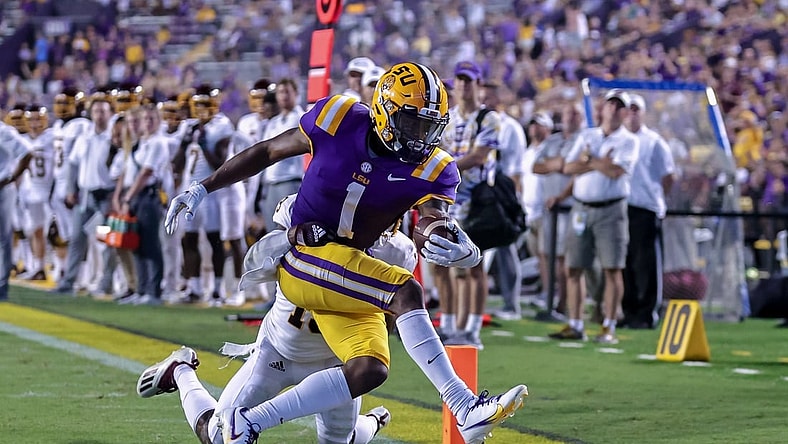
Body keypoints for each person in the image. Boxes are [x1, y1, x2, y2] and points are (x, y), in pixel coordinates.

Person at [164, 62, 527, 444]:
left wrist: (459, 245)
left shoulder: (429, 181)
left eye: (429, 126)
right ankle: (463, 407)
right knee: (404, 292)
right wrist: (203, 187)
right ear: (385, 109)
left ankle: (368, 423)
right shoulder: (338, 118)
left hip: (338, 321)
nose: (422, 137)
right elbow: (270, 150)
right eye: (413, 123)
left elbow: (432, 222)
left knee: (371, 371)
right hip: (303, 270)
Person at [137, 194, 399, 444]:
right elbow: (253, 264)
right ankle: (181, 370)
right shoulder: (303, 209)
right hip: (279, 352)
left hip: (336, 361)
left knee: (340, 440)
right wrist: (290, 236)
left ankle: (372, 422)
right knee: (219, 436)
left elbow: (384, 322)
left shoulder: (396, 250)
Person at [551, 90, 639, 344]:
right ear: (603, 108)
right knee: (574, 266)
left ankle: (608, 325)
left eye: (619, 106)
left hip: (611, 209)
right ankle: (576, 323)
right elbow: (568, 167)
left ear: (624, 112)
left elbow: (616, 171)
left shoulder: (629, 140)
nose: (614, 109)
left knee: (613, 268)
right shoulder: (588, 135)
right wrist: (599, 162)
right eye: (611, 104)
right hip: (581, 206)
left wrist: (589, 159)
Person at [437, 61, 502, 349]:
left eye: (468, 80)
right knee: (445, 265)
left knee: (474, 266)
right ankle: (451, 324)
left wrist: (443, 168)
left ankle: (472, 327)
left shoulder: (488, 118)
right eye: (459, 80)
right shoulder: (448, 117)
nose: (463, 85)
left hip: (475, 200)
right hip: (449, 200)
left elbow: (479, 156)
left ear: (478, 84)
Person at [172, 85, 235, 303]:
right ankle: (194, 287)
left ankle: (217, 289)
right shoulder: (189, 127)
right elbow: (176, 164)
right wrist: (185, 141)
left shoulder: (221, 125)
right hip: (189, 191)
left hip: (210, 191)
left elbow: (220, 163)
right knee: (188, 239)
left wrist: (204, 143)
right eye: (197, 105)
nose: (200, 109)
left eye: (205, 104)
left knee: (213, 239)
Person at [53, 93, 119, 295]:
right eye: (96, 111)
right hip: (85, 195)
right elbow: (73, 164)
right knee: (77, 238)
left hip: (104, 195)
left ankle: (105, 283)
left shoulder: (113, 137)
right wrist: (72, 190)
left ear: (110, 114)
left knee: (106, 240)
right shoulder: (85, 136)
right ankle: (69, 282)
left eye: (103, 111)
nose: (99, 115)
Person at [621, 94, 675, 329]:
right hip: (621, 206)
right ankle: (629, 310)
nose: (632, 114)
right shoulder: (619, 140)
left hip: (645, 207)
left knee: (646, 263)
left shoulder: (654, 141)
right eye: (628, 109)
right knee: (624, 262)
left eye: (636, 110)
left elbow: (668, 176)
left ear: (642, 113)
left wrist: (655, 197)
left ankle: (646, 312)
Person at [113, 104, 170, 305]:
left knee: (150, 244)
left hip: (147, 195)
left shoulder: (158, 143)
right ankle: (142, 288)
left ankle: (153, 291)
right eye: (145, 119)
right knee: (137, 245)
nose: (148, 123)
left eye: (151, 119)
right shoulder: (141, 143)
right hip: (136, 195)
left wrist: (127, 198)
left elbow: (146, 173)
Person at [479, 82, 526, 321]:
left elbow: (517, 168)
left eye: (488, 98)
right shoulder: (478, 123)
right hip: (481, 194)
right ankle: (478, 305)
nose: (485, 102)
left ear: (499, 100)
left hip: (502, 194)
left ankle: (511, 303)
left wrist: (512, 201)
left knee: (506, 248)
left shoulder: (511, 129)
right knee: (480, 249)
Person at [3, 104, 55, 281]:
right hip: (28, 191)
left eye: (37, 119)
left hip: (49, 190)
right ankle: (35, 265)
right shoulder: (22, 139)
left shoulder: (52, 137)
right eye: (30, 120)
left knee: (54, 233)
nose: (34, 124)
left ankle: (48, 267)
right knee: (31, 230)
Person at [0, 116, 33, 300]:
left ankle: (2, 286)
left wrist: (12, 178)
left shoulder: (3, 131)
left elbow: (27, 152)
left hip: (2, 187)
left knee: (3, 238)